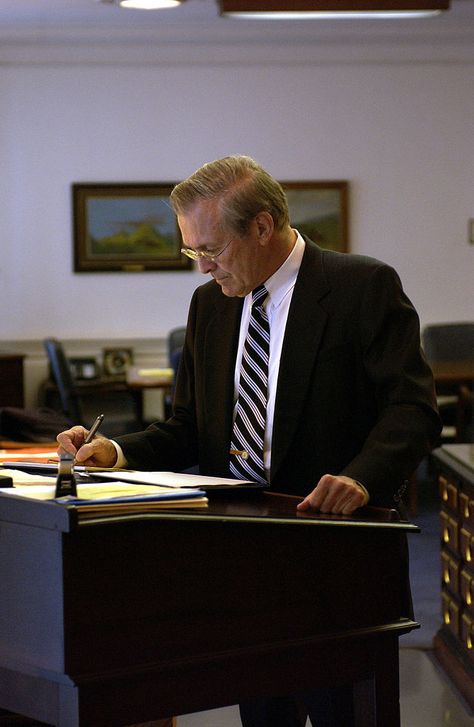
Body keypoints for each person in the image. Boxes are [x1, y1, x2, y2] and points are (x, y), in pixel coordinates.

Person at [57, 155, 441, 726]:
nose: (202, 268)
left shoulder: (362, 286)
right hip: (243, 562)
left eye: (210, 249)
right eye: (193, 251)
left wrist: (362, 477)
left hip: (337, 560)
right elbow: (188, 427)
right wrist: (114, 452)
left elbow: (412, 409)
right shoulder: (209, 306)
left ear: (262, 226)